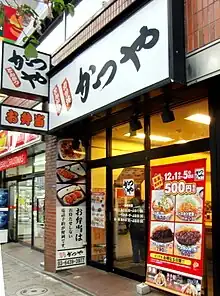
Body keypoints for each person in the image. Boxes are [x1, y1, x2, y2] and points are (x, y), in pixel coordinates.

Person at [128, 188, 146, 264]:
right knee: (142, 244)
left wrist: (127, 225)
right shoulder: (143, 202)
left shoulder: (132, 202)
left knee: (135, 244)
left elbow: (129, 215)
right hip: (143, 227)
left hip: (134, 227)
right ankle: (144, 258)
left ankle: (136, 260)